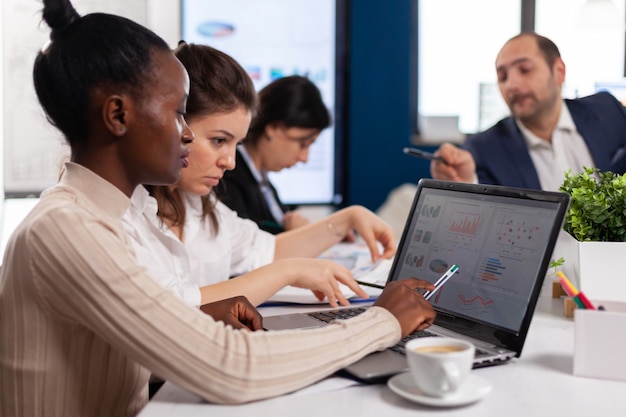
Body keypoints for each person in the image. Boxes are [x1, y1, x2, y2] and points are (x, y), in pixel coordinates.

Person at [0, 2, 436, 415]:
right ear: (118, 115)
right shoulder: (67, 229)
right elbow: (231, 368)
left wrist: (194, 316)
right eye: (178, 113)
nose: (187, 135)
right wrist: (381, 323)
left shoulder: (119, 212)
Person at [123, 43, 394, 308]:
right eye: (219, 140)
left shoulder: (202, 207)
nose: (230, 162)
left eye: (235, 145)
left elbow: (267, 251)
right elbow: (168, 307)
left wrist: (347, 219)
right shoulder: (121, 215)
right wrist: (287, 272)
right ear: (175, 125)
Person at [430, 32, 626, 191]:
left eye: (525, 70)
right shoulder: (483, 149)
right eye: (502, 76)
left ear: (559, 71)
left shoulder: (607, 110)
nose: (511, 85)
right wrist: (466, 183)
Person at [218, 75, 330, 233]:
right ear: (273, 128)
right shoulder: (228, 179)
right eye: (303, 144)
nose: (304, 158)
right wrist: (294, 236)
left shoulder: (262, 183)